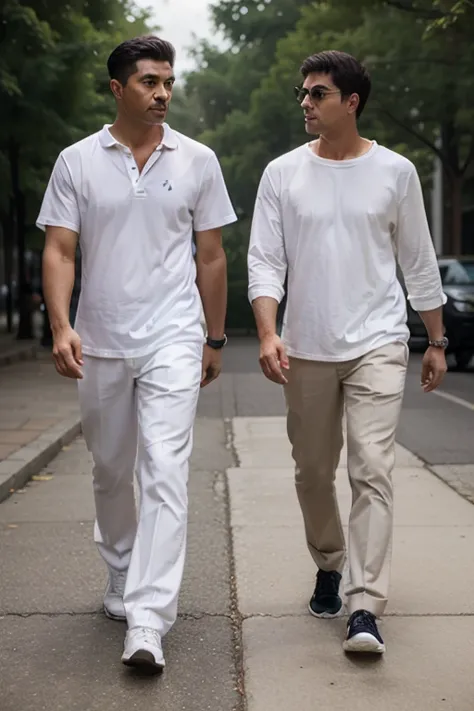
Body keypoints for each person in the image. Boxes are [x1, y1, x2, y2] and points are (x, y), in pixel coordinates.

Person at [38, 35, 236, 672]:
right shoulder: (76, 161)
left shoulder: (198, 160)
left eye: (169, 82)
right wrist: (61, 325)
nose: (163, 93)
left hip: (174, 336)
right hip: (100, 339)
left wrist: (212, 335)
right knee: (110, 466)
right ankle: (121, 570)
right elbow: (61, 250)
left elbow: (211, 255)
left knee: (166, 471)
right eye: (150, 82)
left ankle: (149, 619)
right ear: (119, 89)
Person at [247, 50, 447, 655]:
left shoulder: (396, 172)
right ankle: (329, 562)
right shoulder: (281, 173)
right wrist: (267, 330)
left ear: (351, 102)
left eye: (317, 93)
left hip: (379, 341)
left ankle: (364, 604)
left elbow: (417, 259)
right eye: (302, 93)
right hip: (305, 346)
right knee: (312, 470)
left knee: (373, 469)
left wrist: (435, 339)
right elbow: (264, 260)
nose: (305, 102)